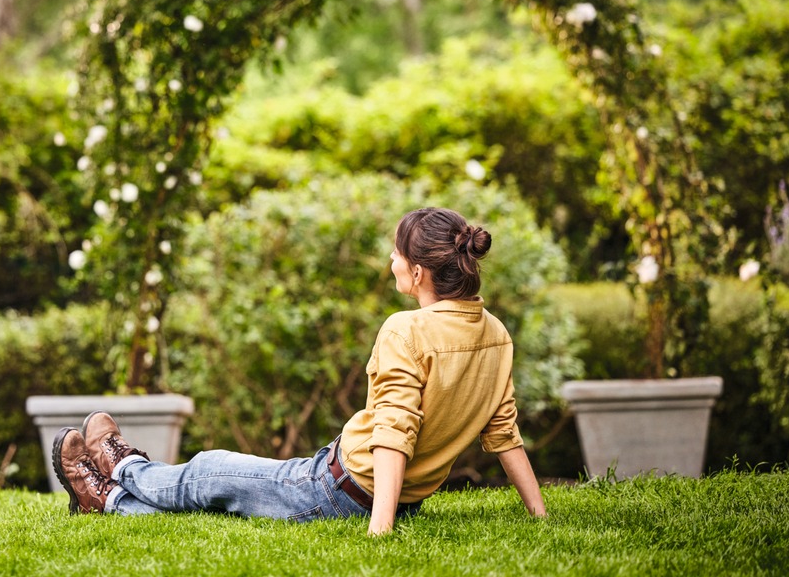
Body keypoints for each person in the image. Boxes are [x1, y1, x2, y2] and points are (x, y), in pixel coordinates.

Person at [52, 206, 548, 535]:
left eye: (396, 253)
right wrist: (538, 513)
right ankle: (110, 498)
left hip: (334, 489)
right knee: (212, 503)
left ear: (417, 271)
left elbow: (396, 434)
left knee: (206, 473)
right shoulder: (495, 333)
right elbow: (502, 430)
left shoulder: (407, 330)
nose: (390, 261)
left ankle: (118, 470)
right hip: (375, 489)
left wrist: (381, 530)